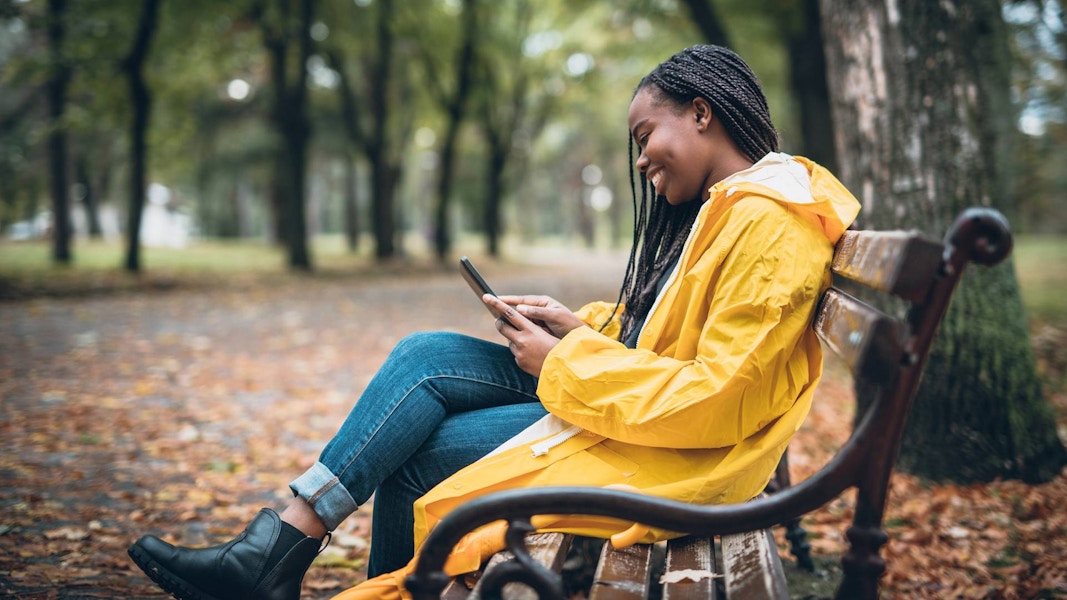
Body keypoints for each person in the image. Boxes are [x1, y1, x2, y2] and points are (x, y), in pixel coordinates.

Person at [128, 44, 861, 600]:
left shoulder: (770, 222)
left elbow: (719, 397)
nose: (640, 159)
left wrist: (564, 361)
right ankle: (282, 541)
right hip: (643, 416)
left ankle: (274, 555)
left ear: (701, 111)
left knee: (417, 455)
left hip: (684, 460)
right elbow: (672, 335)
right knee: (424, 355)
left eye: (645, 135)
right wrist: (578, 329)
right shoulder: (735, 208)